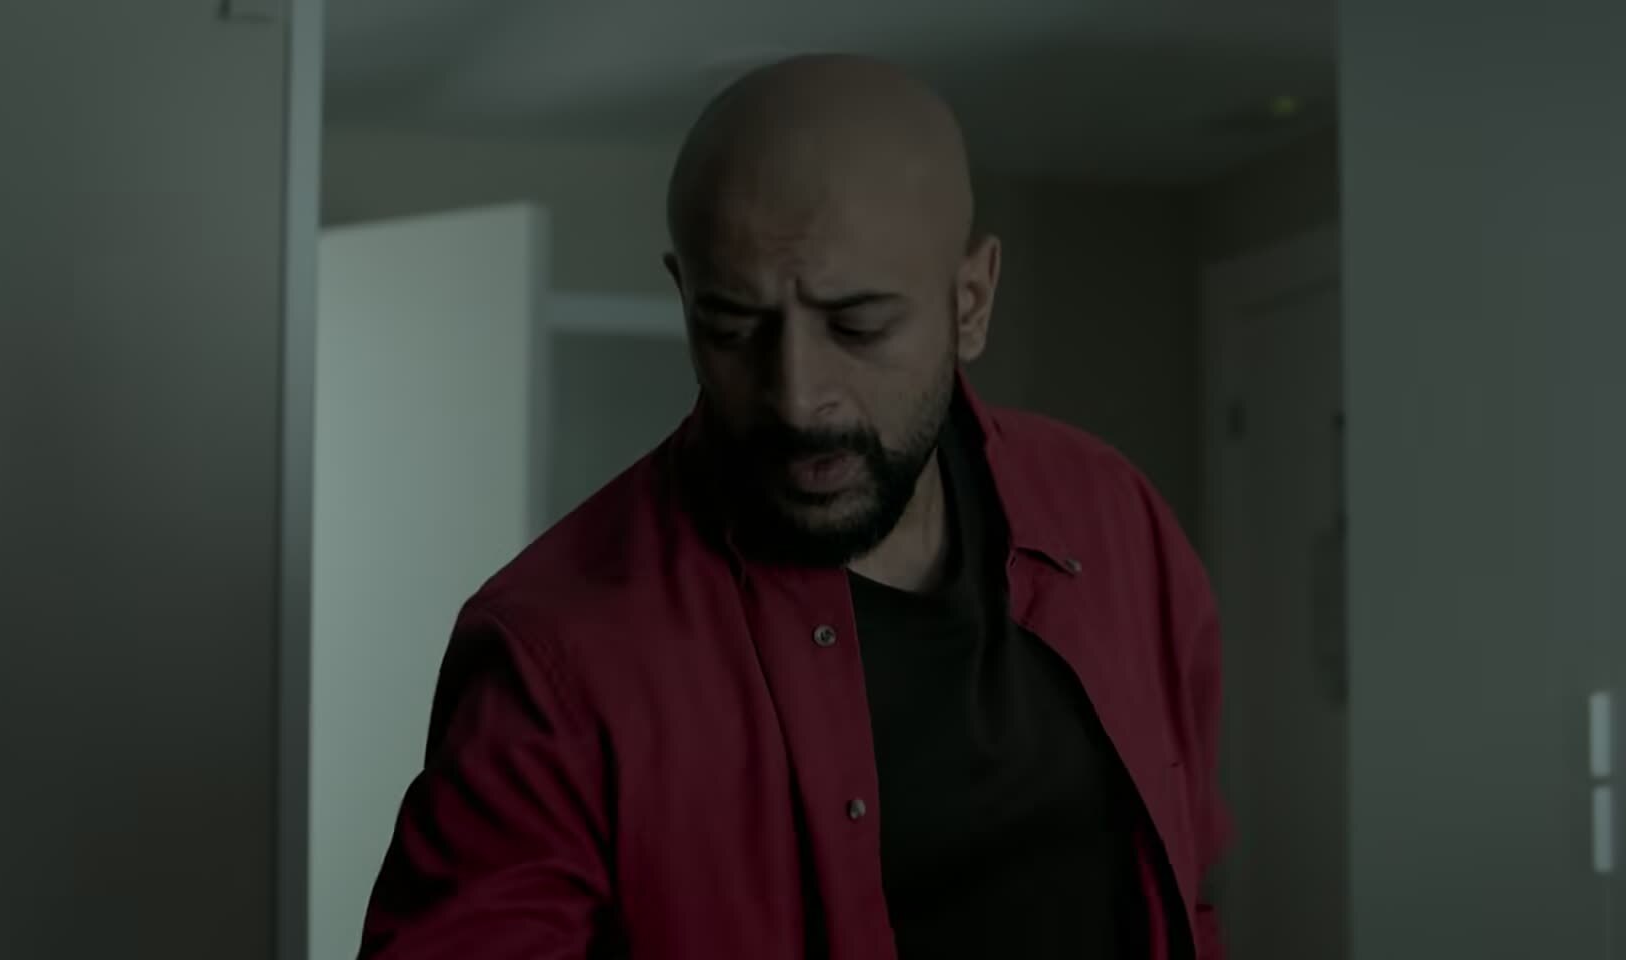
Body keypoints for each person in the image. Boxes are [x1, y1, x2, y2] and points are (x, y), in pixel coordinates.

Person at [359, 53, 1229, 960]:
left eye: (858, 326)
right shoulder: (553, 653)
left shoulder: (1112, 515)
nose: (797, 398)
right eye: (733, 327)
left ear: (970, 303)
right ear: (685, 297)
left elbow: (1183, 883)